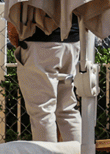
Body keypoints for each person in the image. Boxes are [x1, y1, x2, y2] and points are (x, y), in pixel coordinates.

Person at [10, 13, 79, 143]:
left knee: (42, 112)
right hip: (72, 40)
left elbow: (19, 3)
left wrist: (13, 24)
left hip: (38, 39)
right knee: (67, 109)